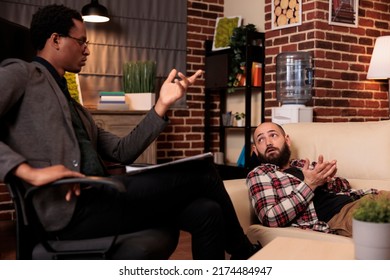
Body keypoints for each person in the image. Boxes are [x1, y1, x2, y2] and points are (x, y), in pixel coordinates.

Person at [0, 4, 260, 260]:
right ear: (56, 40)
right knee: (204, 171)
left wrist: (163, 104)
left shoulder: (75, 108)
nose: (87, 49)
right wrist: (28, 172)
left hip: (103, 196)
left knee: (207, 211)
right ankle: (244, 252)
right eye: (81, 42)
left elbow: (122, 151)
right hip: (72, 210)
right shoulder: (22, 74)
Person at [246, 122, 388, 237]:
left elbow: (345, 185)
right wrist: (309, 185)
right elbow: (270, 217)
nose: (268, 142)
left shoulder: (303, 165)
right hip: (341, 216)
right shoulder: (260, 174)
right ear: (256, 149)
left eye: (273, 135)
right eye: (261, 139)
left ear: (287, 140)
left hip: (366, 197)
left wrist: (328, 179)